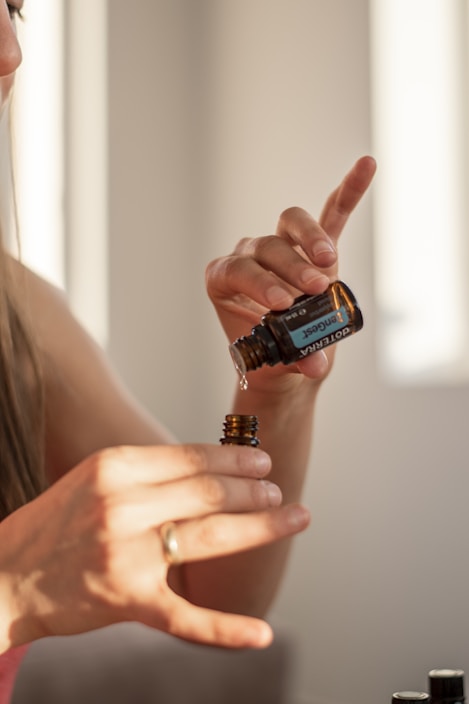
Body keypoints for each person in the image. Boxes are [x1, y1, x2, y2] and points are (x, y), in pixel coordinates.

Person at [0, 0, 376, 701]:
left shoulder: (16, 316)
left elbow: (208, 597)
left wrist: (273, 389)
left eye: (13, 9)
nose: (9, 54)